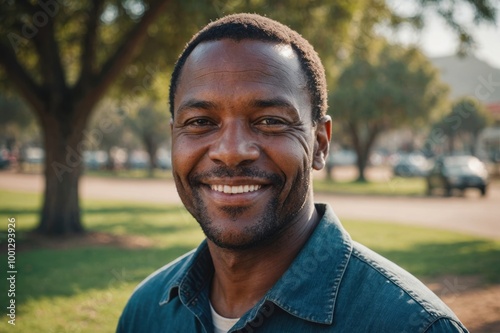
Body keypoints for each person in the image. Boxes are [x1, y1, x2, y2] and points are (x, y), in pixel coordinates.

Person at [117, 13, 468, 333]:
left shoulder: (414, 327)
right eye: (200, 122)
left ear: (320, 144)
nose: (231, 151)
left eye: (270, 121)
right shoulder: (146, 312)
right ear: (174, 139)